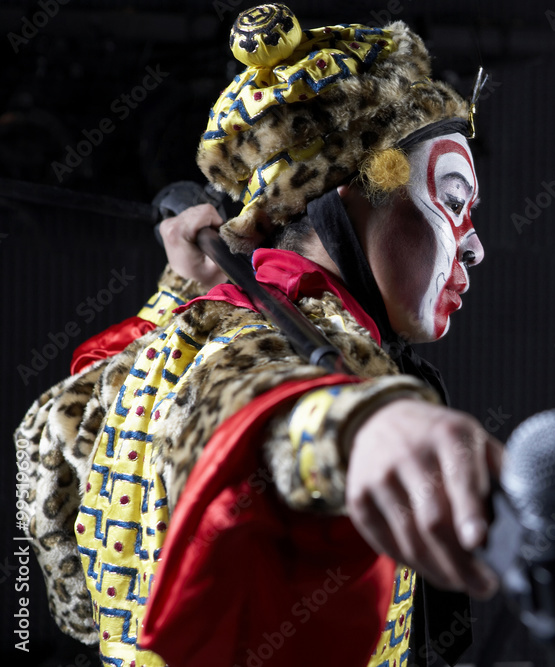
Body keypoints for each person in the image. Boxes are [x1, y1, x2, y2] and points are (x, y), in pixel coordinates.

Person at [15, 5, 501, 666]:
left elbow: (51, 431)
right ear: (339, 196)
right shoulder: (266, 345)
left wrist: (175, 292)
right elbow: (246, 398)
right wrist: (353, 428)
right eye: (450, 196)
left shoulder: (174, 342)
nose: (474, 247)